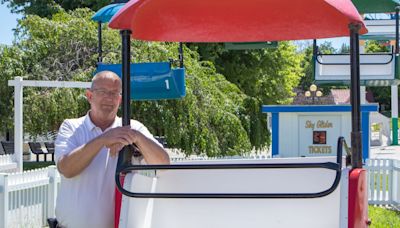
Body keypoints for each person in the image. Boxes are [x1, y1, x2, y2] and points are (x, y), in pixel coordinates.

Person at [54, 70, 170, 228]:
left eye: (114, 93)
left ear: (120, 99)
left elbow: (163, 166)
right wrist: (104, 139)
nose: (109, 98)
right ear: (89, 96)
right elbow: (66, 168)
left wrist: (135, 137)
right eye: (102, 92)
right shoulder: (71, 126)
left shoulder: (133, 128)